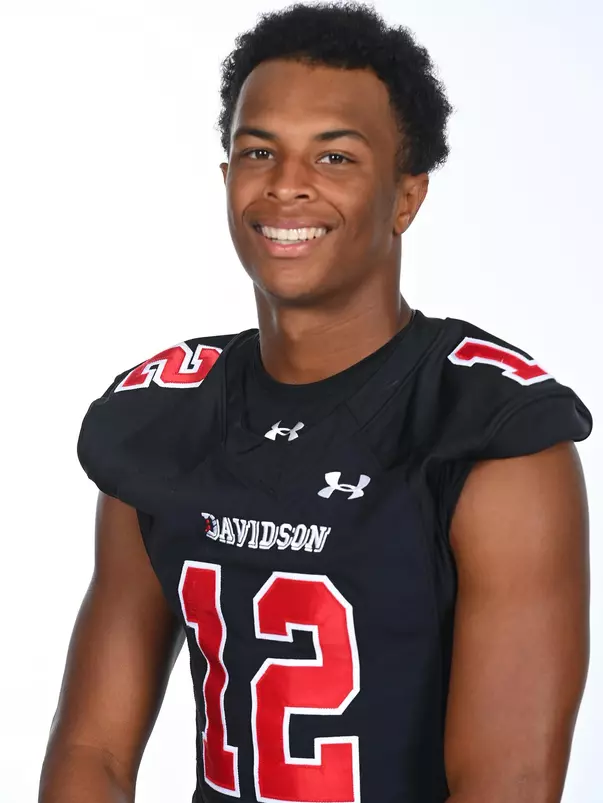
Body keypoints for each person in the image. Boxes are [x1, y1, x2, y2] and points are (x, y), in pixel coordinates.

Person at [39, 3, 593, 803]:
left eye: (334, 157)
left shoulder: (485, 428)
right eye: (258, 151)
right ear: (226, 180)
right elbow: (92, 749)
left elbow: (506, 782)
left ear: (405, 197)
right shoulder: (164, 417)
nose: (287, 184)